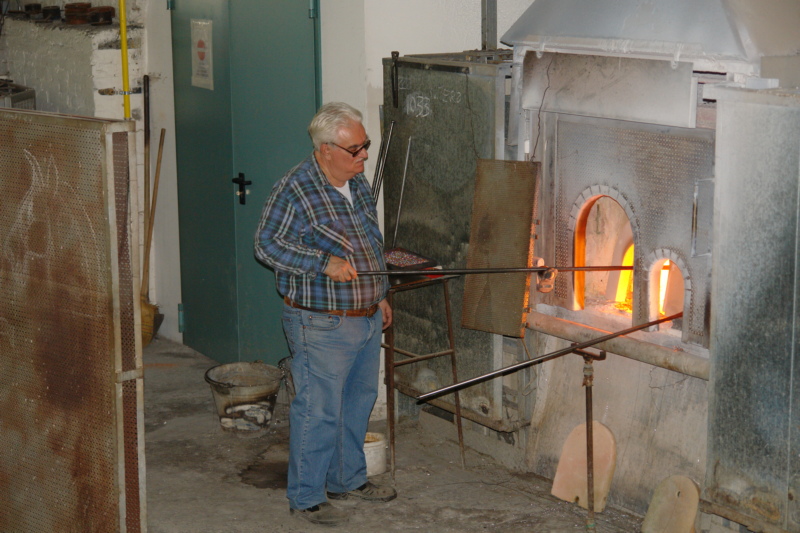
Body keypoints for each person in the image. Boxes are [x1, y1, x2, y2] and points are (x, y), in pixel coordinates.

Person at [254, 102, 396, 527]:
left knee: (357, 403)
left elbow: (371, 243)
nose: (364, 156)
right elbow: (267, 245)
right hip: (322, 321)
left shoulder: (357, 184)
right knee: (319, 410)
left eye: (365, 146)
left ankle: (347, 479)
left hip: (366, 315)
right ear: (325, 149)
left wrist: (382, 294)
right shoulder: (296, 189)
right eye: (356, 149)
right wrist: (323, 262)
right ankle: (307, 496)